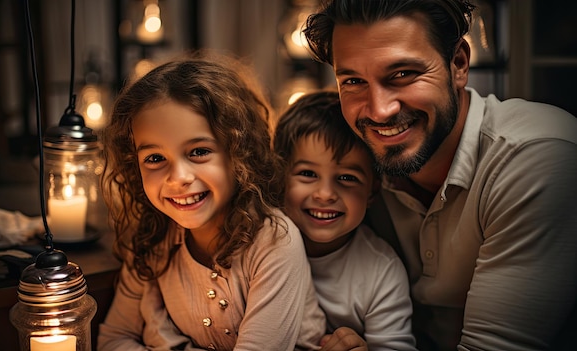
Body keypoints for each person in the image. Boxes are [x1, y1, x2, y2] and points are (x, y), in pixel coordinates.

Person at [303, 1, 577, 350]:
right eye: (354, 81)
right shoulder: (351, 163)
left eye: (402, 74)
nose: (379, 110)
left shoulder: (537, 156)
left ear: (459, 63)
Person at [97, 51, 326, 351]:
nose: (178, 177)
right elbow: (113, 339)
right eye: (155, 158)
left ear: (239, 152)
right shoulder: (154, 240)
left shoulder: (274, 241)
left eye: (199, 152)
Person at [274, 90, 416, 351]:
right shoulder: (259, 245)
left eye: (347, 178)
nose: (325, 194)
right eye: (307, 173)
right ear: (280, 178)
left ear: (372, 191)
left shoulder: (381, 271)